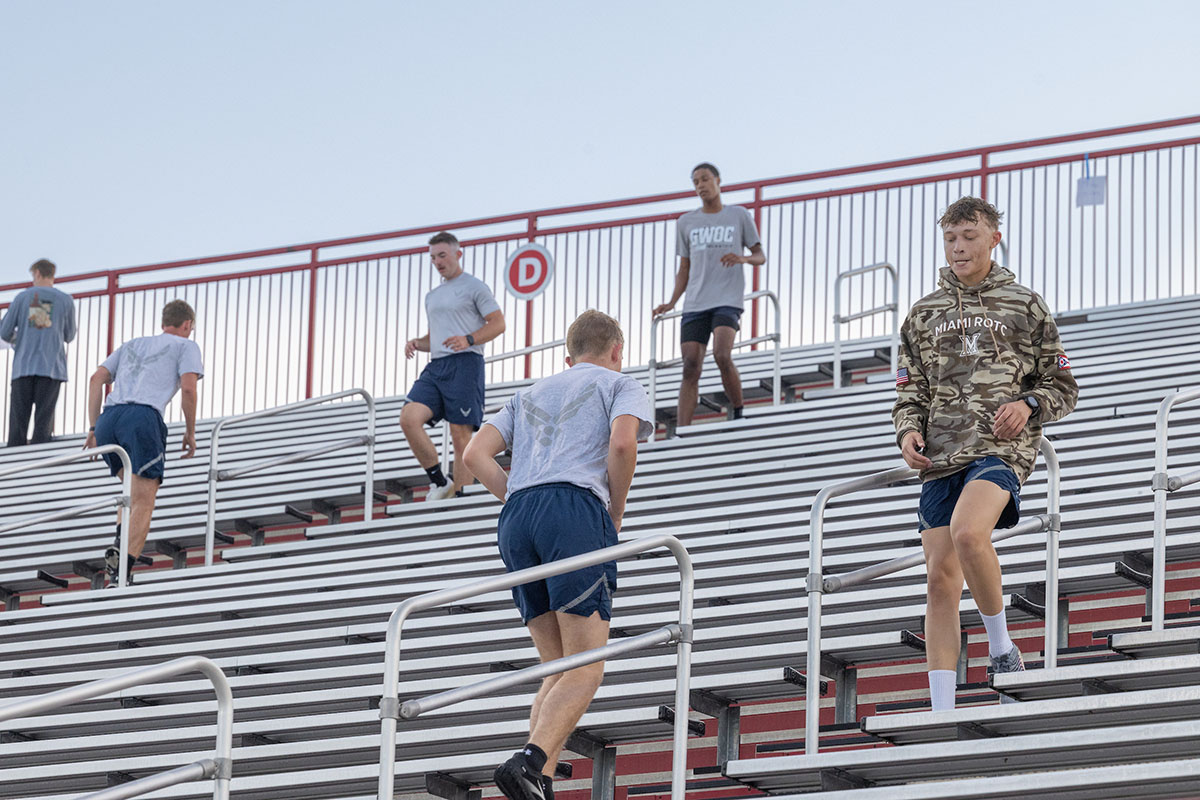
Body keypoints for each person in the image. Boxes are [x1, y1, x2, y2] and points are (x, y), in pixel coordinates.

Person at [893, 196, 1078, 710]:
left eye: (969, 237)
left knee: (970, 532)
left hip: (999, 447)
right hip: (940, 455)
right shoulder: (922, 315)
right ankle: (942, 711)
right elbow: (910, 393)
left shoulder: (1025, 304)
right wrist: (907, 433)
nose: (958, 247)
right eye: (950, 238)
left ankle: (1002, 650)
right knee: (938, 579)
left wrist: (1030, 402)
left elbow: (1063, 385)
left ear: (994, 238)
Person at [463, 310, 652, 800]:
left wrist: (517, 496)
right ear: (617, 350)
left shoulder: (527, 394)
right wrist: (615, 508)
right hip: (573, 508)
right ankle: (528, 763)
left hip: (518, 516)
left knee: (558, 666)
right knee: (588, 664)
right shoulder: (619, 382)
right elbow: (623, 443)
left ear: (567, 357)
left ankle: (538, 778)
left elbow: (473, 456)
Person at [84, 299, 203, 586]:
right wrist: (190, 431)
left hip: (109, 418)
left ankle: (118, 543)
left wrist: (93, 426)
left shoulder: (132, 343)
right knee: (145, 499)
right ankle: (122, 569)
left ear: (164, 321)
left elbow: (97, 378)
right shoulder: (186, 346)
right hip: (142, 416)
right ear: (187, 325)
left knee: (130, 491)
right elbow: (188, 388)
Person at [652, 163, 765, 427]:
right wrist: (671, 302)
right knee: (690, 365)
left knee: (722, 354)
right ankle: (682, 431)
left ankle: (737, 411)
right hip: (695, 302)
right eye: (695, 182)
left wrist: (743, 258)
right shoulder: (686, 222)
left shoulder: (738, 215)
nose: (700, 185)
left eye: (705, 179)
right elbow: (684, 267)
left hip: (727, 299)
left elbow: (761, 256)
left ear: (718, 180)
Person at [401, 231, 506, 502]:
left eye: (442, 255)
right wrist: (417, 342)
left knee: (461, 436)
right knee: (409, 418)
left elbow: (498, 323)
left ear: (458, 254)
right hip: (437, 365)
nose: (437, 261)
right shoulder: (432, 295)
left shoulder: (475, 287)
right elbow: (437, 337)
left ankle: (462, 497)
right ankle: (440, 481)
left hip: (466, 363)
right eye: (433, 257)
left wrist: (468, 339)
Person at [0, 259, 77, 446]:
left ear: (37, 273)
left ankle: (14, 464)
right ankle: (40, 464)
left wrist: (19, 339)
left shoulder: (22, 298)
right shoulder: (65, 299)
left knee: (18, 422)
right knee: (44, 421)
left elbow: (4, 332)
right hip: (52, 368)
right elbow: (69, 335)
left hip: (23, 367)